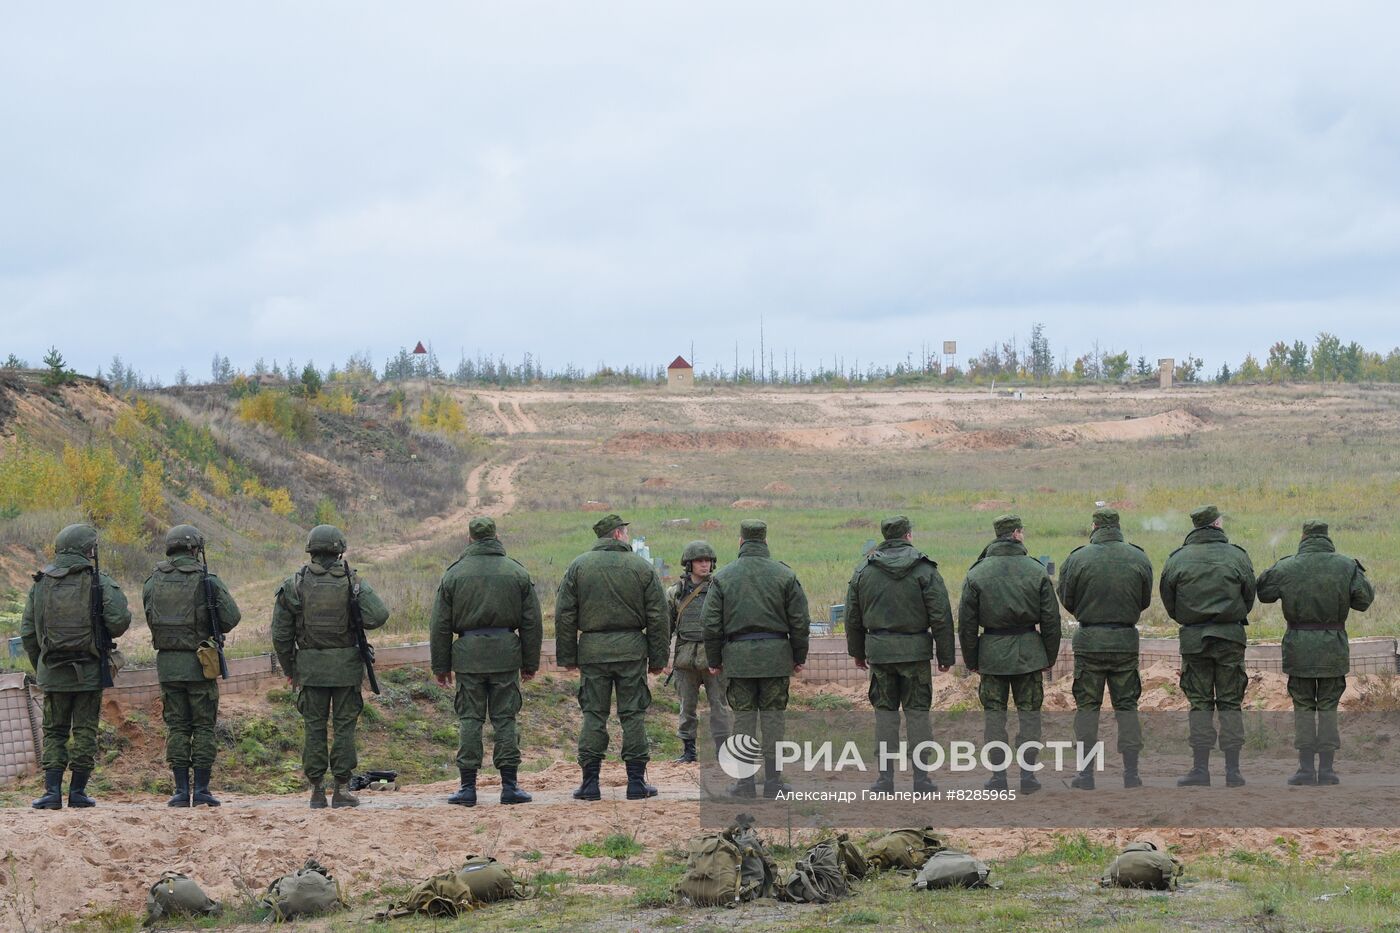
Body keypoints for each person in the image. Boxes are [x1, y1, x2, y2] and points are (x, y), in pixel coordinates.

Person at [272, 524, 389, 808]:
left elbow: (280, 635)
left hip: (310, 670)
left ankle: (315, 791)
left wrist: (291, 670)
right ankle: (341, 789)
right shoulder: (353, 582)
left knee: (314, 728)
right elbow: (379, 615)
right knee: (344, 727)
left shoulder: (294, 584)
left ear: (311, 549)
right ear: (339, 549)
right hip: (346, 669)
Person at [430, 517, 543, 807]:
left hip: (468, 656)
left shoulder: (454, 575)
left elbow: (440, 625)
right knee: (505, 719)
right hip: (506, 654)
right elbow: (532, 623)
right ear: (496, 536)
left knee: (470, 719)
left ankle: (467, 788)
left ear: (469, 538)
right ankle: (510, 787)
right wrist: (530, 663)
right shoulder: (516, 571)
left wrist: (440, 667)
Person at [555, 514, 668, 801]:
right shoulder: (641, 567)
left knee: (593, 715)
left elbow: (565, 615)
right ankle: (635, 783)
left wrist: (568, 656)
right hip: (631, 650)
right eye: (625, 533)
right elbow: (658, 616)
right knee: (633, 715)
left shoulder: (578, 566)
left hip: (593, 652)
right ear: (618, 535)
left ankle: (590, 784)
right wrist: (657, 658)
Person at [22, 523, 131, 809]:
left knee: (54, 731)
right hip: (90, 670)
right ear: (87, 550)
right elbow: (120, 621)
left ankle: (51, 793)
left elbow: (28, 633)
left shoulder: (40, 582)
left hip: (53, 671)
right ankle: (78, 792)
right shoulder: (98, 580)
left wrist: (43, 665)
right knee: (84, 730)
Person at [1256, 519, 1374, 786]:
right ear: (1326, 536)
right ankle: (1328, 770)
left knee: (1304, 707)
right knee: (1329, 706)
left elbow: (1263, 594)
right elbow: (1364, 601)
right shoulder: (1346, 565)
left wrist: (1272, 571)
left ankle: (1306, 769)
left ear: (1303, 536)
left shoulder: (1287, 566)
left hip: (1298, 647)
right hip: (1333, 646)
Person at [844, 516, 954, 792]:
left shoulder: (864, 571)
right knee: (918, 715)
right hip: (915, 654)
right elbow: (941, 615)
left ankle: (885, 779)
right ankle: (921, 779)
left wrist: (857, 652)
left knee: (885, 717)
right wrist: (945, 655)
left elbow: (852, 618)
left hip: (880, 654)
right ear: (908, 536)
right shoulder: (924, 569)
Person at [702, 520, 810, 798]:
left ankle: (745, 783)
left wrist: (714, 659)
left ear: (740, 542)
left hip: (739, 659)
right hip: (775, 658)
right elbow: (800, 621)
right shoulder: (784, 575)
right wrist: (798, 657)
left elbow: (711, 624)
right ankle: (773, 782)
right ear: (764, 541)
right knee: (774, 719)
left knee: (743, 720)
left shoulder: (724, 577)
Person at [958, 515, 1061, 794]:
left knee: (994, 718)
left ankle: (998, 777)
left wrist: (972, 660)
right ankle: (1028, 776)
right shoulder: (1036, 571)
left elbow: (966, 625)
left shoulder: (977, 573)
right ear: (1017, 534)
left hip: (991, 654)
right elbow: (1051, 620)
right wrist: (1048, 656)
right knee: (1030, 716)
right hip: (1029, 653)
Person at [142, 524, 241, 807]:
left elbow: (151, 617)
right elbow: (231, 617)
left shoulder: (153, 581)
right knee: (203, 727)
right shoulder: (206, 579)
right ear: (195, 549)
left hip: (168, 665)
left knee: (177, 727)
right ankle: (202, 790)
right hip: (200, 663)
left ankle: (180, 791)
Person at [1057, 508, 1152, 790]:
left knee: (1087, 708)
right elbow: (1144, 600)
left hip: (1090, 643)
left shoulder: (1077, 558)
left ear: (1094, 526)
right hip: (1124, 642)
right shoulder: (1138, 556)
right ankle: (1131, 773)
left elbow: (1067, 598)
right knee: (1127, 707)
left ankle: (1086, 775)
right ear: (1118, 526)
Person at [1159, 505, 1254, 788]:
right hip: (1230, 638)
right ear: (1217, 524)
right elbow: (1249, 595)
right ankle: (1233, 772)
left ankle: (1200, 769)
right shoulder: (1237, 556)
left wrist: (1191, 619)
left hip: (1194, 640)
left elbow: (1169, 600)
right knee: (1230, 703)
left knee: (1199, 704)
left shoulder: (1178, 559)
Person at [666, 540, 731, 763]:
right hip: (685, 659)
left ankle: (723, 751)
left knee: (719, 707)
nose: (704, 565)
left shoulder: (720, 589)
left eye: (707, 561)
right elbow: (667, 625)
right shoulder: (675, 592)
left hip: (714, 658)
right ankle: (688, 751)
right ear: (689, 564)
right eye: (699, 561)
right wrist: (663, 656)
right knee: (687, 707)